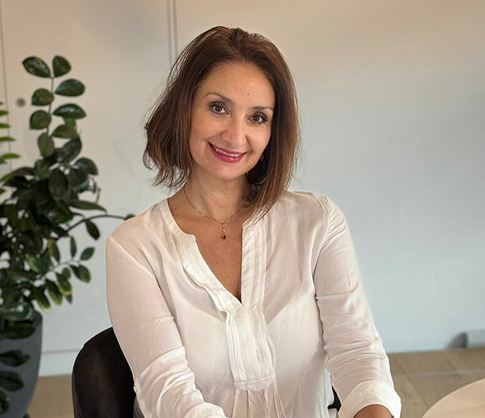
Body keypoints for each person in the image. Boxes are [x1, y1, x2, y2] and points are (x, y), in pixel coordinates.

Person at [106, 26, 402, 418]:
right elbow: (168, 392)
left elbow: (357, 351)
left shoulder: (318, 223)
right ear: (185, 110)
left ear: (272, 132)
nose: (236, 135)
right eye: (218, 108)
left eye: (257, 117)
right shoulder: (134, 246)